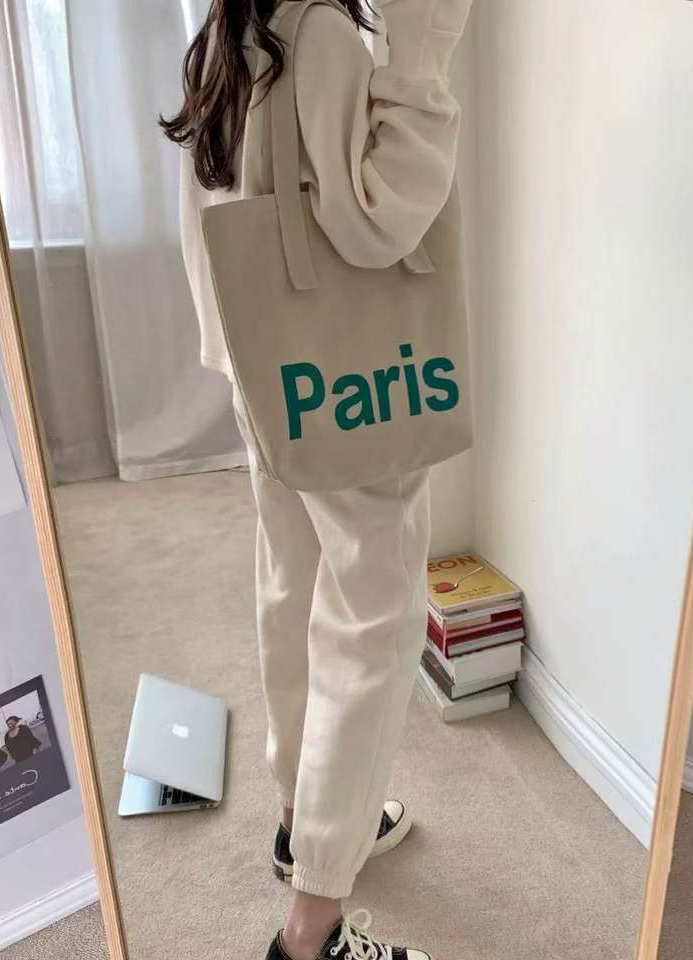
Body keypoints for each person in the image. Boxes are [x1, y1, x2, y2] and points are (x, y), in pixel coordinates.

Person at [168, 2, 473, 958]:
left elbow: (212, 225)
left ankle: (306, 822)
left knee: (292, 587)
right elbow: (376, 225)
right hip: (346, 383)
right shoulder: (326, 35)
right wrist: (423, 55)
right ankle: (314, 928)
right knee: (373, 620)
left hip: (267, 372)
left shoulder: (227, 33)